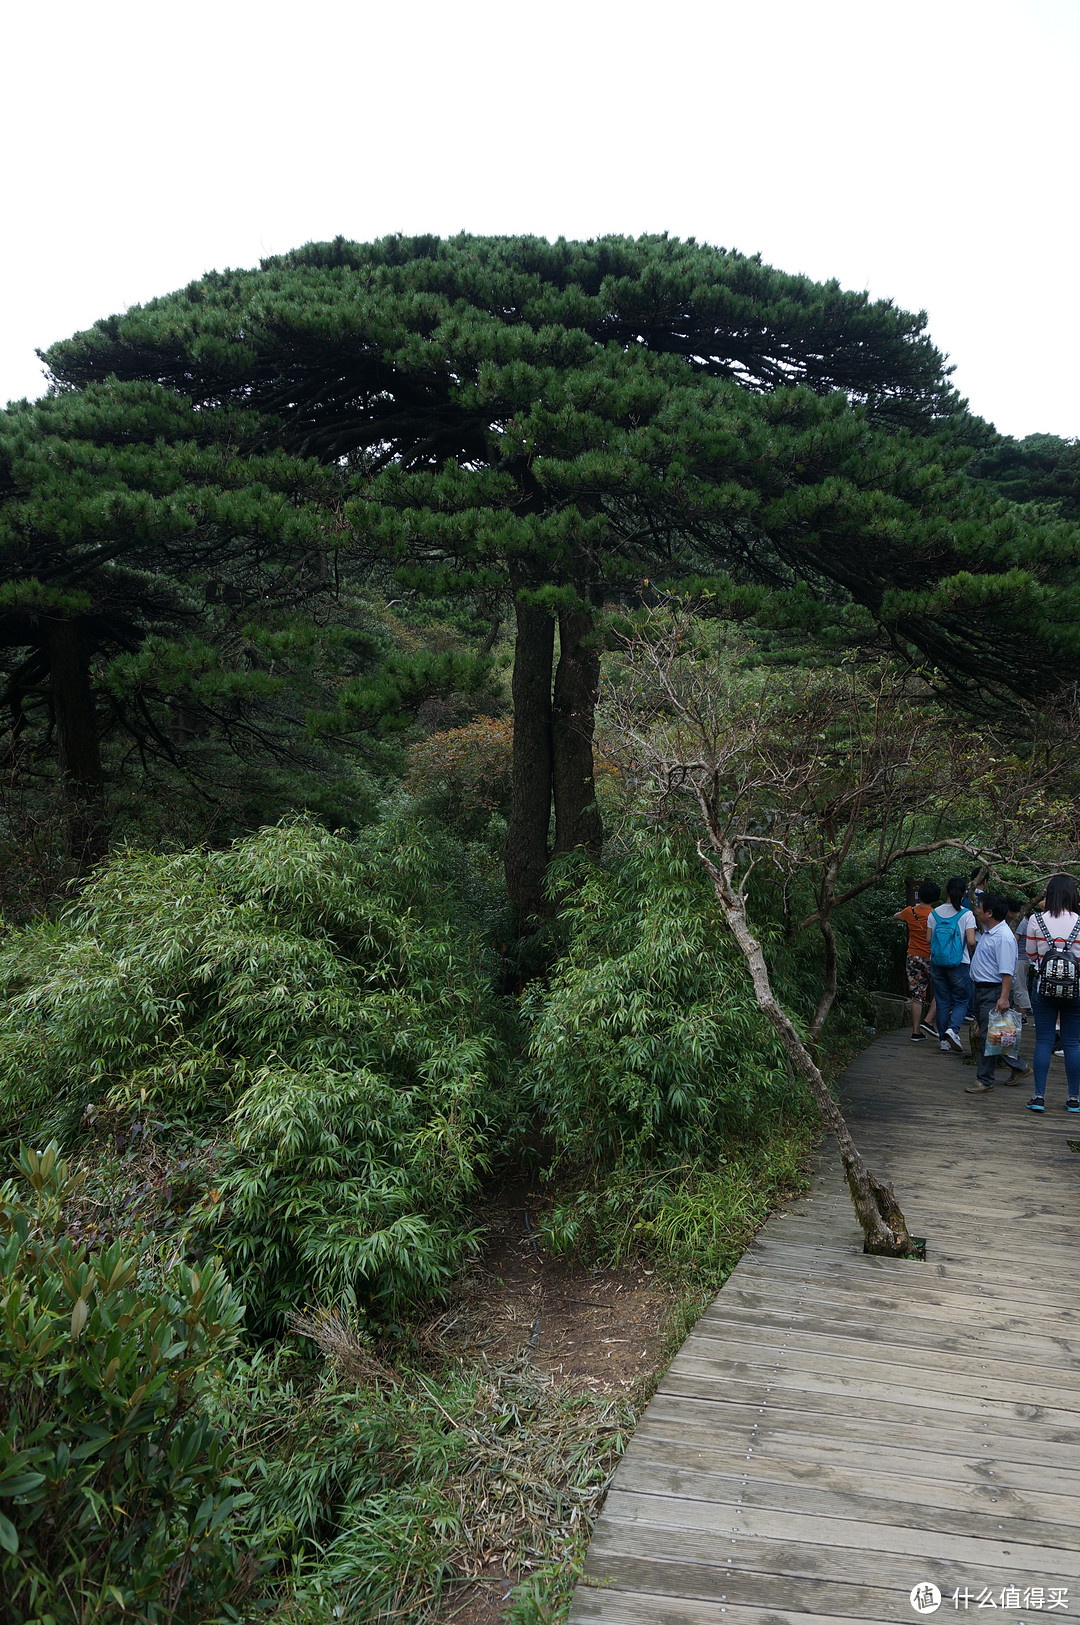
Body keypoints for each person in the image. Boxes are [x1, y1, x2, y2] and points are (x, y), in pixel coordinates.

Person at [1024, 873, 1080, 1113]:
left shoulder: (1037, 920)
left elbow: (1030, 955)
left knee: (1044, 1041)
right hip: (1075, 990)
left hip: (1043, 989)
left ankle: (1039, 1096)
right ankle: (1073, 1098)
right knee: (1073, 1043)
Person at [964, 894, 1017, 1095]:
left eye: (980, 908)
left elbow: (1007, 971)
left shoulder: (1003, 937)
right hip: (982, 989)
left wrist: (1003, 997)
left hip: (993, 991)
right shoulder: (990, 932)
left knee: (989, 1036)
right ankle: (1020, 1067)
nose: (977, 910)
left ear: (990, 913)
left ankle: (984, 1080)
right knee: (996, 1035)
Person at [927, 877, 976, 1054]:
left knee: (942, 1001)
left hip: (937, 963)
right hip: (959, 963)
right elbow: (971, 941)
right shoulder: (966, 914)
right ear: (963, 894)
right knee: (961, 1000)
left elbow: (928, 939)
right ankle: (953, 1030)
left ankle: (943, 1041)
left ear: (946, 891)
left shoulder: (934, 913)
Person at [893, 883, 939, 1041]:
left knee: (917, 995)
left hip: (912, 956)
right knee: (941, 990)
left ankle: (915, 1031)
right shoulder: (935, 915)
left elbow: (895, 916)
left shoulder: (909, 911)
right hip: (930, 956)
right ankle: (929, 1021)